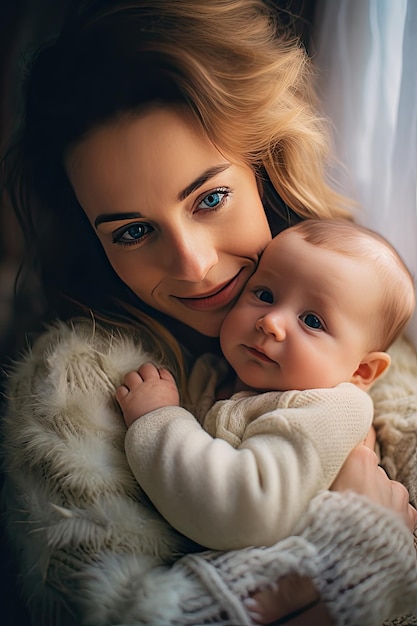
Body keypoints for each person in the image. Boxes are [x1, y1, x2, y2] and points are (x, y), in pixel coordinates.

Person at [1, 1, 417, 625]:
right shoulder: (72, 392)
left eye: (210, 197)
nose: (193, 265)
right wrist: (354, 544)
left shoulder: (365, 340)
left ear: (264, 167)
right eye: (133, 232)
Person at [116, 218, 415, 555]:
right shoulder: (211, 373)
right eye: (265, 294)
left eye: (312, 321)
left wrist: (158, 419)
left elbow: (241, 510)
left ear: (361, 370)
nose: (271, 322)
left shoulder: (330, 411)